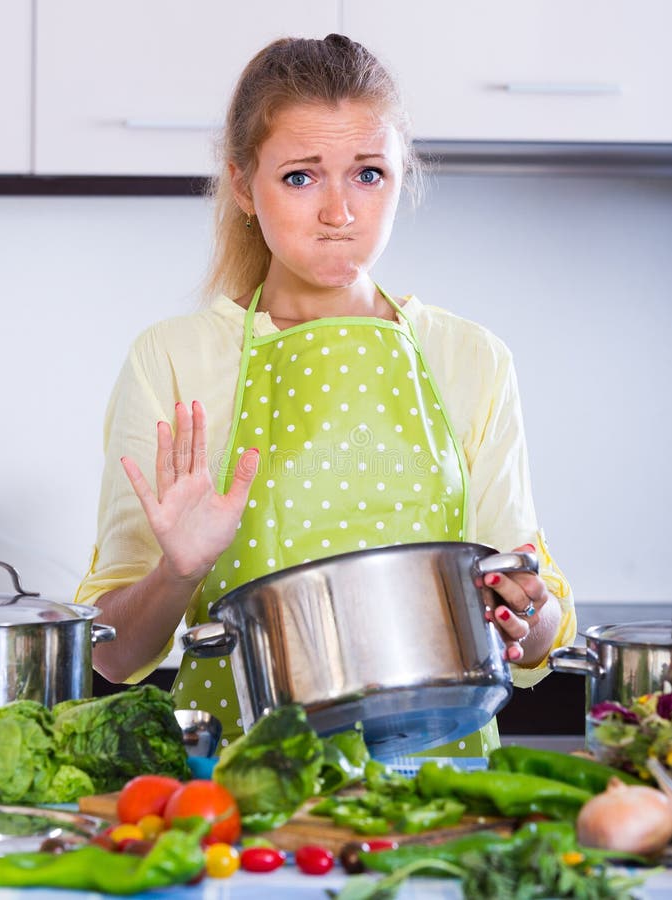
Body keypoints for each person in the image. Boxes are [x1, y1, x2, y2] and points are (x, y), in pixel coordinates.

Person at [75, 33, 576, 755]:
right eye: (301, 178)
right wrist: (177, 571)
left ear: (402, 177)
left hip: (436, 792)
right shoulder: (173, 359)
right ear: (244, 186)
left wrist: (526, 612)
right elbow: (112, 655)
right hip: (241, 792)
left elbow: (533, 634)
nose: (339, 212)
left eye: (368, 174)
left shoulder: (471, 359)